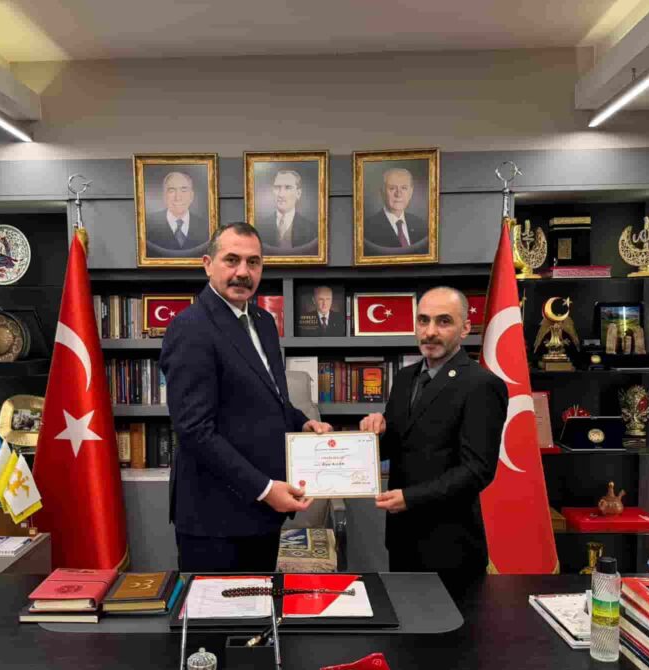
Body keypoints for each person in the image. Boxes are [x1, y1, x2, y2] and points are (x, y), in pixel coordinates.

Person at [160, 222, 333, 572]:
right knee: (217, 610)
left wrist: (304, 423)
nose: (243, 272)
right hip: (216, 522)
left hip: (262, 517)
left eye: (253, 262)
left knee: (260, 605)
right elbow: (194, 430)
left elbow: (270, 397)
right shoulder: (191, 327)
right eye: (232, 260)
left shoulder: (263, 321)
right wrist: (266, 489)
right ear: (208, 264)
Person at [359, 287, 507, 605]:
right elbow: (396, 445)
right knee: (406, 629)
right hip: (401, 540)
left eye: (443, 322)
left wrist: (411, 498)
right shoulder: (404, 378)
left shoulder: (482, 385)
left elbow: (477, 470)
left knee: (456, 636)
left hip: (451, 548)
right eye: (423, 320)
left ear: (465, 328)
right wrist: (375, 433)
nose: (429, 332)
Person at [363, 167, 428, 252]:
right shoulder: (367, 229)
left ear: (411, 192)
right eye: (392, 188)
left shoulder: (421, 225)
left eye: (404, 188)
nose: (398, 194)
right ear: (382, 192)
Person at [145, 171, 209, 253]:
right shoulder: (147, 226)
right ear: (164, 196)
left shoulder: (206, 227)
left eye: (184, 190)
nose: (178, 197)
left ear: (191, 196)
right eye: (172, 190)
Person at [257, 169, 318, 251]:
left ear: (298, 193)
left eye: (288, 187)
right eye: (277, 187)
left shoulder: (311, 230)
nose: (281, 194)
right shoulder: (259, 228)